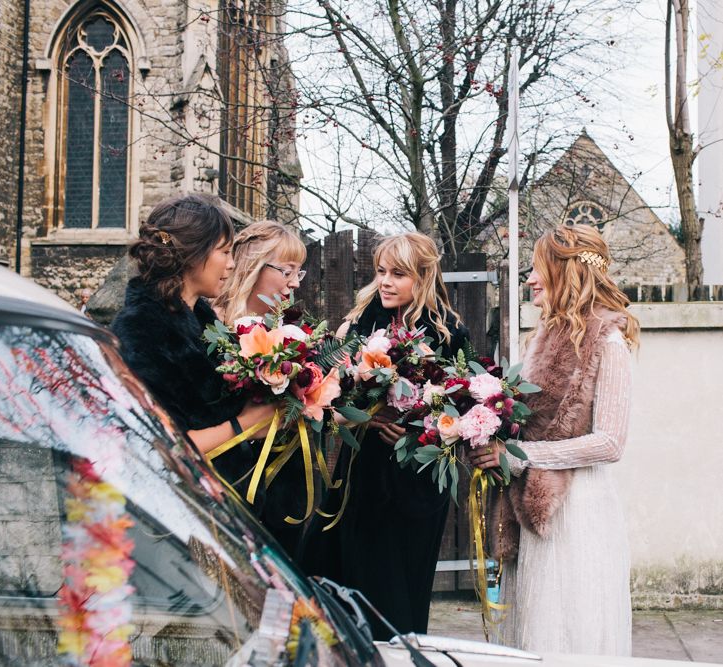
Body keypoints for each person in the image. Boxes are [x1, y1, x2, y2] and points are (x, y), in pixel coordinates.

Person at [470, 224, 639, 655]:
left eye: (537, 268)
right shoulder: (541, 339)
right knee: (533, 628)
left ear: (567, 272)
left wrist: (521, 455)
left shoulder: (609, 342)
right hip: (533, 505)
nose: (528, 279)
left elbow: (610, 443)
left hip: (577, 510)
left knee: (568, 630)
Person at [300, 232, 469, 640]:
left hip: (416, 479)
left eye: (399, 273)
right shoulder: (359, 325)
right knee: (339, 571)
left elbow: (459, 406)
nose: (386, 282)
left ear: (423, 276)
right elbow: (330, 395)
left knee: (400, 590)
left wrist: (417, 425)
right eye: (381, 272)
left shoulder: (448, 333)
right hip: (363, 472)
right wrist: (365, 416)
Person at [111, 193, 274, 460]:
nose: (232, 264)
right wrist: (245, 425)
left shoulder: (202, 319)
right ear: (191, 254)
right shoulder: (142, 330)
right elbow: (158, 445)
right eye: (224, 252)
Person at [212, 221, 309, 559]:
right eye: (287, 271)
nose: (295, 283)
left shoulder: (289, 332)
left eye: (300, 273)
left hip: (286, 495)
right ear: (254, 266)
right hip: (232, 490)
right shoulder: (212, 325)